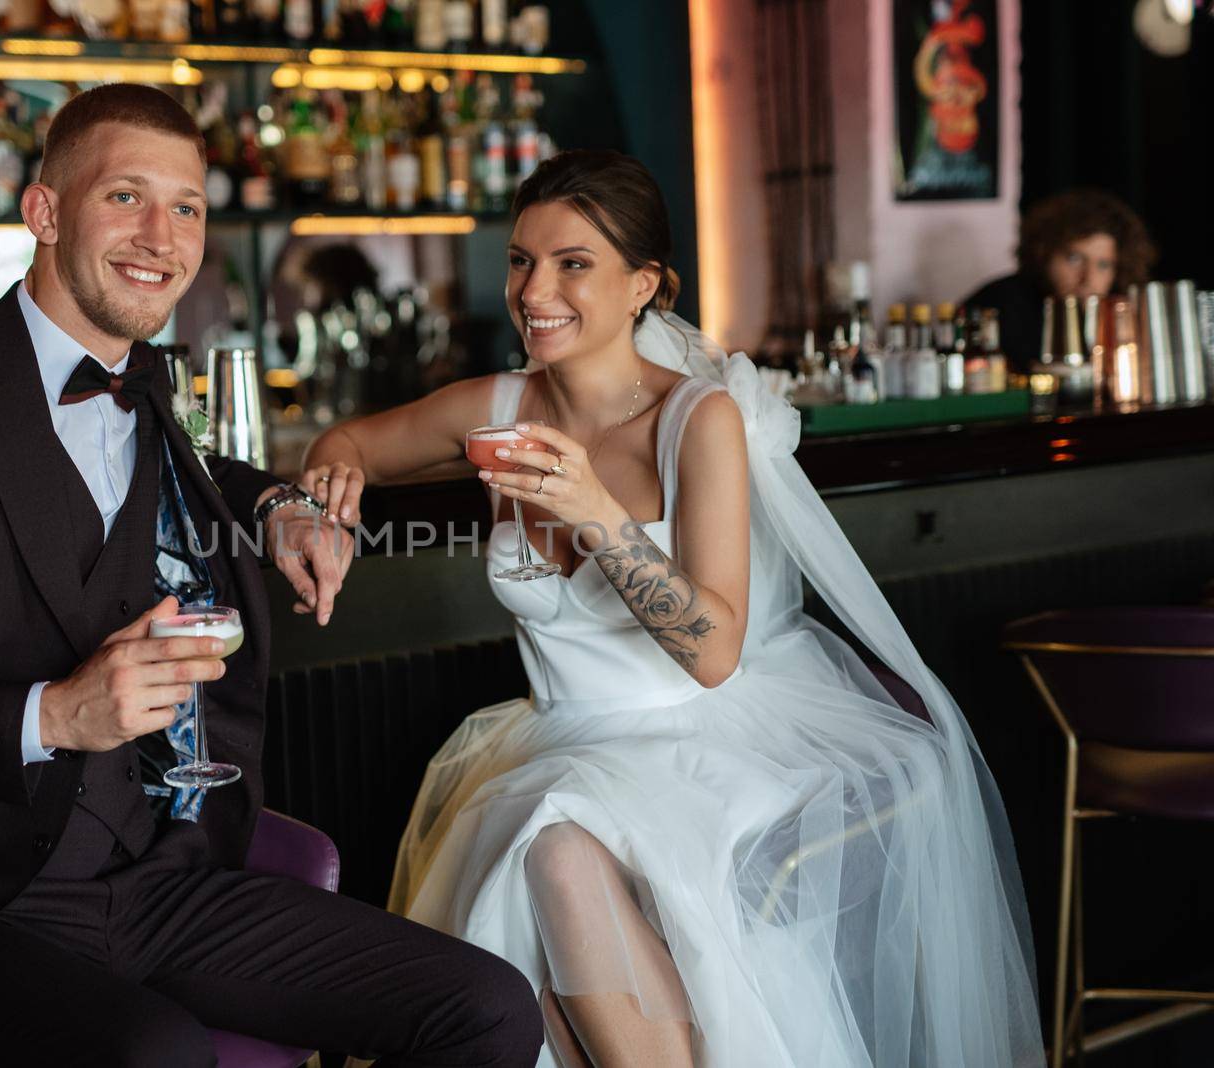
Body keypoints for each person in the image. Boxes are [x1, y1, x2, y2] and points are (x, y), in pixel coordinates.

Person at [0, 83, 541, 1068]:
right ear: (43, 212)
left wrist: (274, 503)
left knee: (486, 1006)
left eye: (186, 208)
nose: (160, 235)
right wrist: (54, 716)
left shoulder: (151, 387)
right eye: (125, 196)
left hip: (161, 872)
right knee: (157, 1054)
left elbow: (178, 466)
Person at [302, 150, 1043, 1067]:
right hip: (561, 740)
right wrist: (320, 497)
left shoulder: (698, 420)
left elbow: (713, 652)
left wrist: (597, 517)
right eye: (523, 260)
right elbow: (346, 441)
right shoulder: (493, 407)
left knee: (555, 851)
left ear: (644, 284)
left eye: (575, 263)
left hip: (699, 742)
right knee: (548, 849)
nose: (536, 288)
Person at [965, 187, 1156, 372]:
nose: (1088, 278)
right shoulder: (997, 305)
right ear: (1043, 253)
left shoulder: (1122, 316)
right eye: (1074, 259)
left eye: (1103, 265)